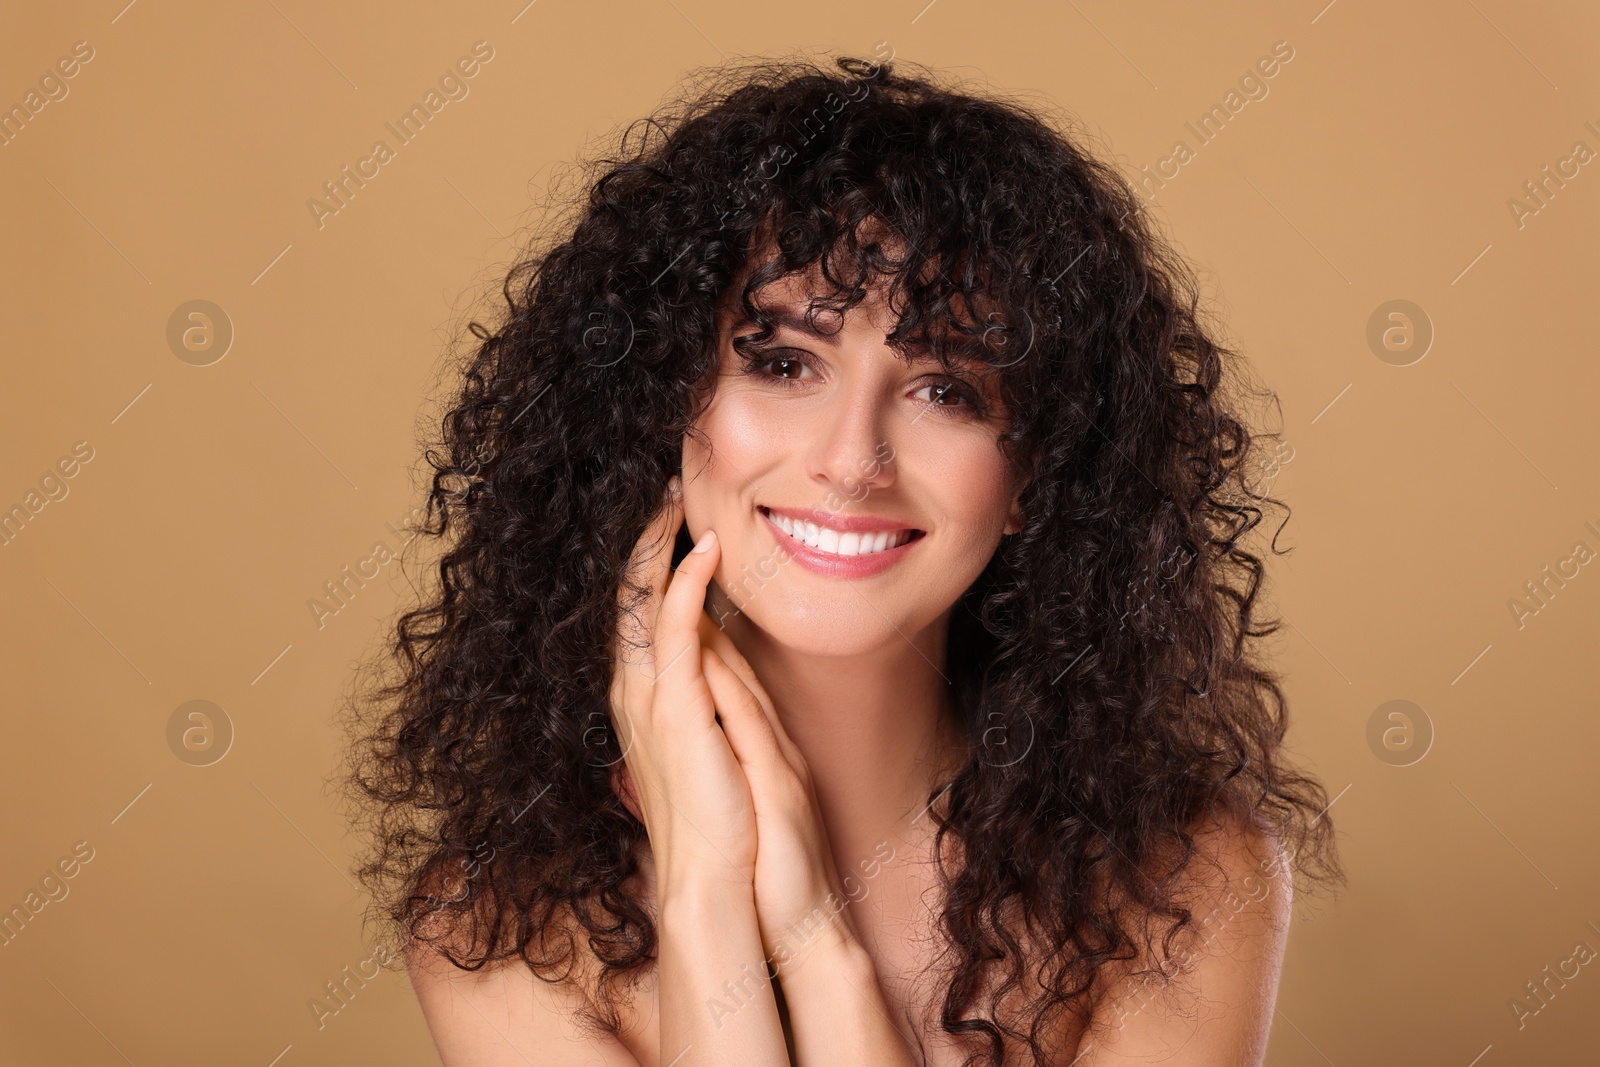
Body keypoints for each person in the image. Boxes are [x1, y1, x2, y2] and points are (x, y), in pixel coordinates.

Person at [345, 50, 1344, 1066]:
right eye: (783, 364)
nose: (851, 460)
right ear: (659, 411)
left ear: (1038, 473)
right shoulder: (497, 929)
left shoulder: (1179, 883)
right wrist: (702, 886)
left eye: (947, 389)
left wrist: (817, 935)